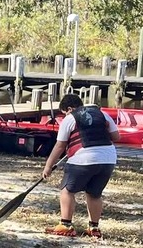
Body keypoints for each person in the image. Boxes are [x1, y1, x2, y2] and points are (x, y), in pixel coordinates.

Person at [41, 94, 119, 239]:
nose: (65, 115)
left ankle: (66, 225)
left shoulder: (70, 118)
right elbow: (116, 137)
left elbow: (60, 145)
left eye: (64, 112)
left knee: (67, 190)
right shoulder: (103, 115)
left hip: (83, 158)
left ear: (69, 109)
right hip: (108, 159)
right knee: (94, 193)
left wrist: (48, 166)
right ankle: (94, 228)